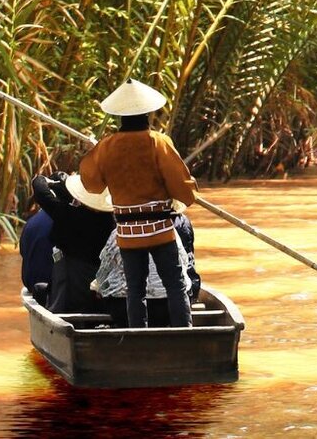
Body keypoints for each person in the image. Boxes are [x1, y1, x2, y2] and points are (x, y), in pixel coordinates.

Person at [73, 79, 198, 328]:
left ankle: (138, 334)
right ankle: (185, 333)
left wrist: (97, 150)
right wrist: (188, 192)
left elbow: (92, 184)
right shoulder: (158, 142)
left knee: (135, 289)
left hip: (128, 233)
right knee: (175, 285)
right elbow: (182, 189)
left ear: (120, 116)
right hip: (160, 231)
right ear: (148, 113)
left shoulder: (107, 146)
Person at [90, 214, 201, 326]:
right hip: (167, 306)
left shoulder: (119, 233)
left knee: (99, 291)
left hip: (123, 307)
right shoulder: (170, 232)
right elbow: (185, 264)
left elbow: (103, 273)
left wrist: (98, 288)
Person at [30, 170, 115, 312]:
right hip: (98, 286)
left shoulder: (71, 216)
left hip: (72, 286)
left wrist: (42, 180)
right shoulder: (109, 221)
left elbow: (42, 194)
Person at [19, 201, 53, 305]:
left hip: (30, 281)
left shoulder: (30, 223)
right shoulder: (64, 219)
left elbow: (23, 252)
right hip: (52, 285)